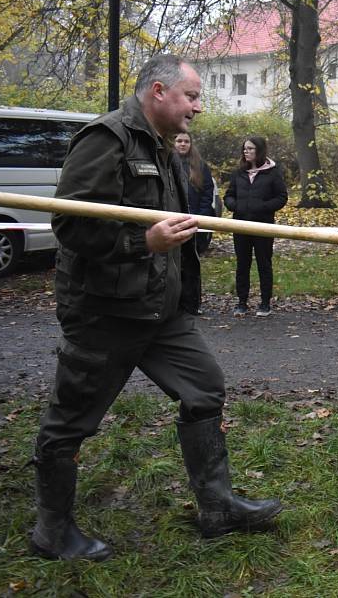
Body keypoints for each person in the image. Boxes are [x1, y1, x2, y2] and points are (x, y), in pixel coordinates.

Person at [30, 54, 282, 562]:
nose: (197, 108)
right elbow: (70, 225)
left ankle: (217, 507)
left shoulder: (164, 148)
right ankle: (51, 531)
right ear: (159, 91)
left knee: (205, 388)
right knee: (71, 420)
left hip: (159, 312)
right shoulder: (108, 139)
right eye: (191, 97)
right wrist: (142, 241)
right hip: (106, 313)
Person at [224, 136, 288, 317]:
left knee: (264, 264)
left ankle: (265, 303)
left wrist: (263, 207)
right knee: (242, 264)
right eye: (245, 149)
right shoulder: (238, 173)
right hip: (241, 226)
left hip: (264, 226)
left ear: (259, 150)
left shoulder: (273, 173)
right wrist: (234, 205)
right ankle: (242, 303)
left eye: (250, 149)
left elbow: (282, 197)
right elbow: (228, 195)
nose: (246, 152)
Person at [174, 132, 216, 256]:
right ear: (174, 143)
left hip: (195, 217)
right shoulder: (166, 162)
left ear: (191, 144)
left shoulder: (200, 166)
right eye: (179, 141)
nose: (183, 144)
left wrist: (200, 216)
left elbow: (208, 192)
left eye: (186, 141)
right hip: (172, 217)